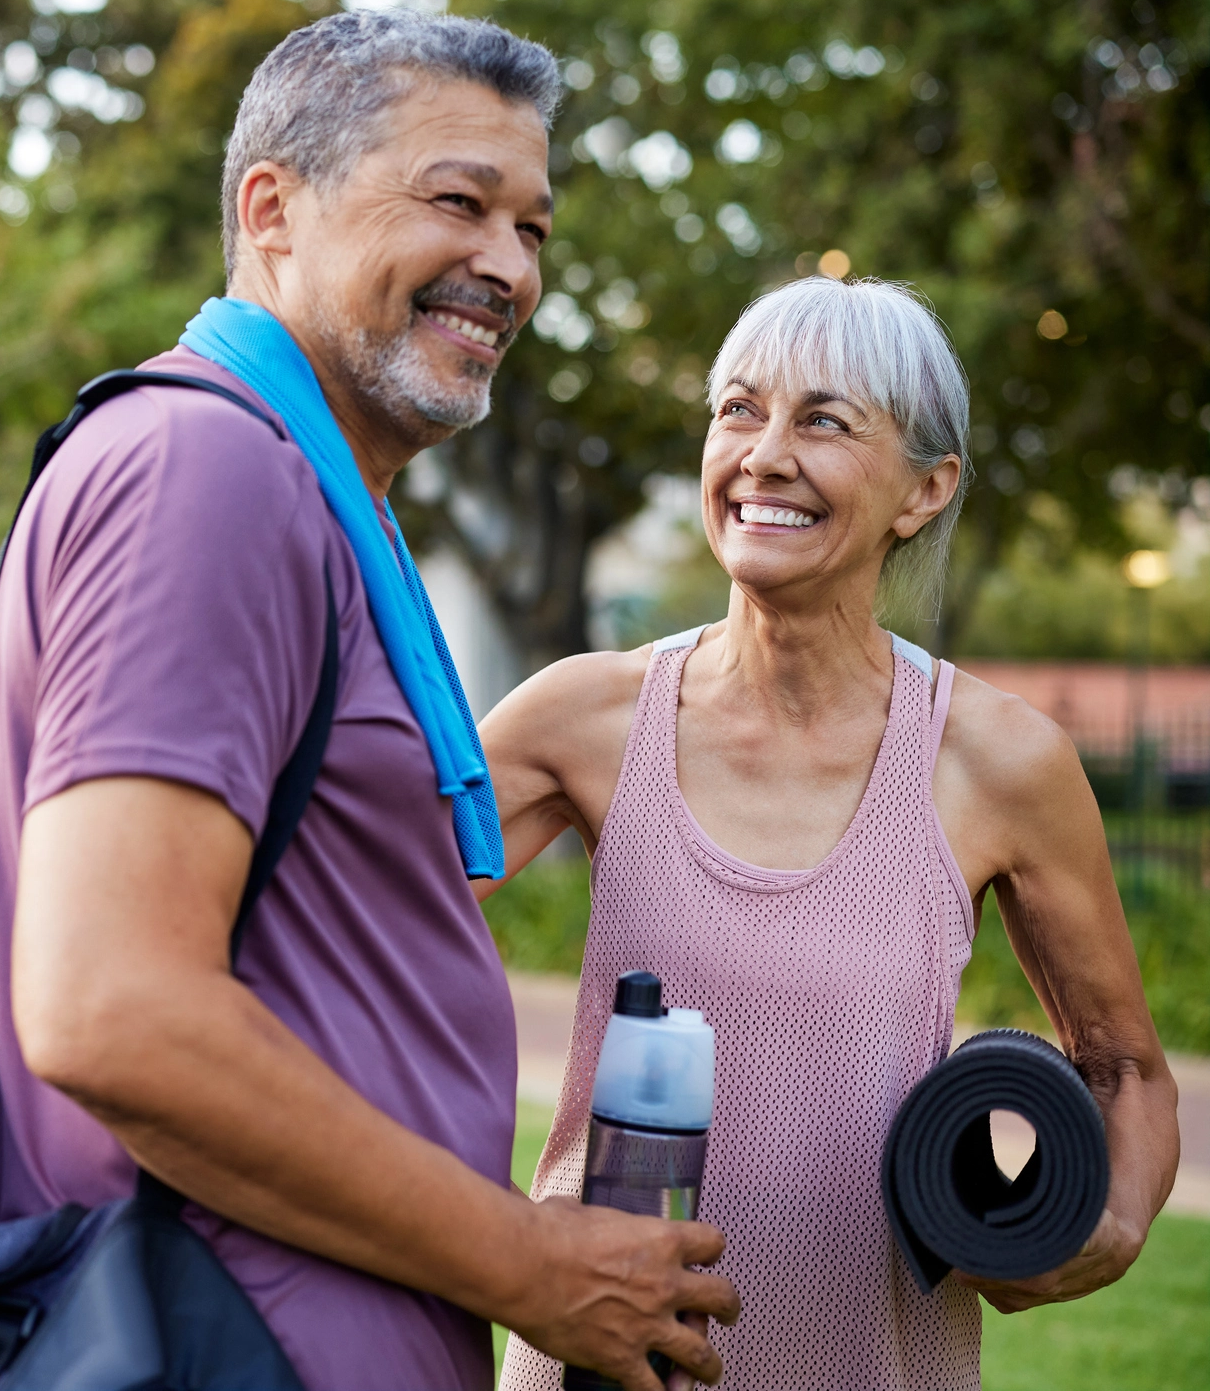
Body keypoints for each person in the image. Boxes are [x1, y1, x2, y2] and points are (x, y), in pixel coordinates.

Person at [0, 7, 738, 1391]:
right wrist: (530, 1265)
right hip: (209, 1343)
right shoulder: (211, 474)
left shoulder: (308, 496)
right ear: (274, 209)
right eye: (460, 201)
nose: (507, 265)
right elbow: (108, 1007)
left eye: (536, 229)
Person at [486, 276, 1182, 1391]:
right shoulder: (577, 717)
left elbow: (1124, 1070)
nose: (761, 454)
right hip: (596, 1366)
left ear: (924, 490)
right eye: (735, 409)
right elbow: (350, 927)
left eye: (821, 420)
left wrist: (1103, 1221)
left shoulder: (998, 761)